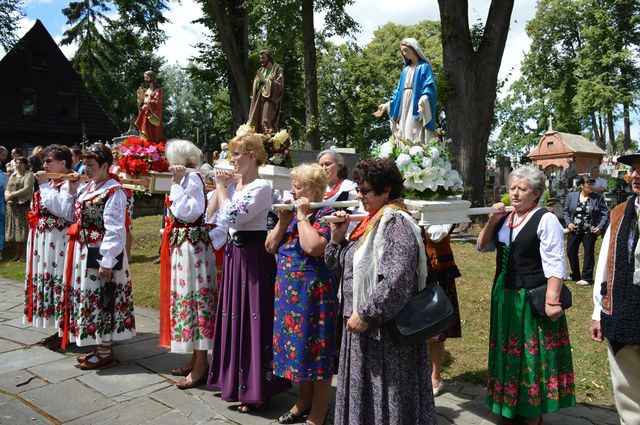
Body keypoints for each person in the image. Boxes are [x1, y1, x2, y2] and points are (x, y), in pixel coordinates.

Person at [325, 157, 436, 425]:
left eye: (365, 190)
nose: (360, 196)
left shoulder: (396, 223)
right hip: (363, 331)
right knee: (367, 398)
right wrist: (336, 239)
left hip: (383, 334)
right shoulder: (370, 222)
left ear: (386, 189)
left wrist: (366, 313)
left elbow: (396, 279)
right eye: (359, 190)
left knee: (387, 395)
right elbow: (343, 267)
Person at [477, 165, 575, 425]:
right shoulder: (507, 217)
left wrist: (553, 300)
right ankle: (510, 405)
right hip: (504, 295)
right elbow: (483, 246)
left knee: (532, 356)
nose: (516, 194)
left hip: (531, 295)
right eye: (513, 188)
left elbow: (555, 263)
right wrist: (492, 220)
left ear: (537, 193)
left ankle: (533, 414)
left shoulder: (546, 219)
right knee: (509, 352)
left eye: (523, 189)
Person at [207, 133, 290, 412]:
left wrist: (221, 188)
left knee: (253, 319)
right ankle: (232, 382)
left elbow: (233, 216)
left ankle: (258, 388)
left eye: (237, 154)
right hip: (235, 256)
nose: (233, 160)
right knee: (233, 316)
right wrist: (223, 189)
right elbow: (212, 216)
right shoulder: (237, 185)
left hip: (254, 258)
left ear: (252, 156)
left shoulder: (262, 186)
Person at [265, 163, 338, 425]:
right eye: (292, 185)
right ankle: (302, 400)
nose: (292, 191)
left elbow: (314, 247)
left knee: (316, 350)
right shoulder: (290, 214)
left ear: (315, 189)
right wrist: (284, 222)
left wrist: (303, 217)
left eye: (299, 186)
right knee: (297, 349)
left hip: (313, 294)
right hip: (287, 292)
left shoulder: (325, 212)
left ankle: (319, 409)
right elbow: (271, 246)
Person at [61, 143, 135, 369]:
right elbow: (71, 214)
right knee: (91, 297)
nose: (87, 169)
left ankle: (104, 350)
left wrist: (108, 260)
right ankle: (97, 346)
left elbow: (115, 228)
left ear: (105, 166)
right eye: (85, 164)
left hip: (101, 252)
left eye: (91, 165)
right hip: (85, 251)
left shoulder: (114, 190)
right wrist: (73, 190)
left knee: (104, 299)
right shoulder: (90, 187)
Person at [157, 139, 217, 389]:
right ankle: (195, 358)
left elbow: (188, 212)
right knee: (188, 299)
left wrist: (175, 186)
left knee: (195, 300)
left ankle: (202, 363)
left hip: (193, 250)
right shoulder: (188, 179)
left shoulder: (191, 180)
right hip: (187, 249)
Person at [589, 152, 640, 425]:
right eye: (634, 169)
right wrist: (598, 311)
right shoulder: (619, 213)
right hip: (623, 316)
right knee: (627, 395)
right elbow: (605, 264)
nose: (636, 175)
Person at [23, 145, 74, 348]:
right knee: (48, 282)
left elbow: (63, 211)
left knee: (60, 281)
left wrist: (44, 186)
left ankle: (66, 330)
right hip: (43, 241)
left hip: (59, 241)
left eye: (50, 161)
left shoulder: (68, 183)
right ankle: (59, 328)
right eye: (44, 161)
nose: (45, 165)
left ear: (63, 163)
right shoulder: (52, 182)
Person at [374, 38, 436, 143]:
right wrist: (387, 104)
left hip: (415, 102)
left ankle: (415, 155)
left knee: (411, 132)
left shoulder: (424, 67)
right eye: (402, 51)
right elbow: (398, 91)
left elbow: (429, 86)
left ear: (414, 49)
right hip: (403, 103)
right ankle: (404, 155)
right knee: (402, 132)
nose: (404, 53)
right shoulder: (405, 70)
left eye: (406, 50)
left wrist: (424, 98)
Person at [424, 223, 462, 397]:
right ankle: (420, 375)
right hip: (415, 271)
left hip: (439, 271)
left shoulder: (446, 207)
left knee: (437, 332)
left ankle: (435, 377)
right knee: (415, 327)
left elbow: (437, 233)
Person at [563, 176, 609, 286]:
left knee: (588, 253)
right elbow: (566, 212)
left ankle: (586, 277)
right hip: (574, 229)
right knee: (570, 251)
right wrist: (569, 223)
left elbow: (605, 213)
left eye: (593, 184)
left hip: (590, 230)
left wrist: (600, 226)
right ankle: (575, 274)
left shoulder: (598, 197)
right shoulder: (571, 196)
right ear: (581, 185)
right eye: (589, 184)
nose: (592, 187)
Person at [5, 156, 35, 262]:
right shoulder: (13, 174)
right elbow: (7, 188)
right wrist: (7, 195)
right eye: (16, 162)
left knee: (23, 230)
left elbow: (27, 189)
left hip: (23, 206)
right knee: (14, 230)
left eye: (20, 163)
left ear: (26, 165)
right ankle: (17, 253)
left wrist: (11, 195)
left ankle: (24, 255)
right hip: (12, 206)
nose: (18, 164)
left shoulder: (29, 175)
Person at [247, 50, 284, 135]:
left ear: (269, 58)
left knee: (265, 120)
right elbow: (256, 84)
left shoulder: (277, 69)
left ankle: (269, 142)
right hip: (259, 98)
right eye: (260, 58)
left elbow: (279, 85)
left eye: (263, 58)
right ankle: (257, 140)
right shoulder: (261, 70)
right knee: (254, 119)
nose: (261, 60)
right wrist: (258, 81)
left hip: (270, 99)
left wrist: (265, 81)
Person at [136, 70, 164, 143]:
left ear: (152, 78)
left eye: (147, 77)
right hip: (144, 114)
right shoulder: (146, 90)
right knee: (144, 131)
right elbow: (141, 104)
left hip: (151, 115)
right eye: (144, 78)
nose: (145, 79)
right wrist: (140, 99)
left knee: (151, 132)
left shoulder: (158, 90)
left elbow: (158, 103)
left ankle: (152, 146)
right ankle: (145, 146)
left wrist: (148, 102)